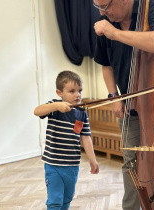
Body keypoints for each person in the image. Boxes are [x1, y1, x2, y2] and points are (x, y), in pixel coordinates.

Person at [93, 0, 154, 209]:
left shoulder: (151, 9)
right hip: (130, 108)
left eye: (106, 6)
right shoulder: (106, 21)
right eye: (98, 7)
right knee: (131, 163)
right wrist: (114, 96)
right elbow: (106, 66)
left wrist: (116, 34)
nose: (103, 12)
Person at [34, 70, 99, 210]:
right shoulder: (54, 106)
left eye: (80, 91)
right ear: (59, 93)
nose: (77, 95)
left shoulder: (82, 113)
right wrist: (56, 106)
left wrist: (92, 159)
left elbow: (86, 137)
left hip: (72, 165)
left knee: (67, 199)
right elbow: (37, 111)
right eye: (72, 91)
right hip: (53, 164)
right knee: (54, 201)